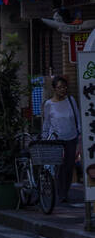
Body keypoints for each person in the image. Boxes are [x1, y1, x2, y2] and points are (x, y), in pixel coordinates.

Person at [41, 75, 80, 204]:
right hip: (56, 139)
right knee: (59, 166)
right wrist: (44, 137)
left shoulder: (71, 100)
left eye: (64, 87)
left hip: (71, 137)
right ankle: (60, 193)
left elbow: (77, 118)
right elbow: (46, 123)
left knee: (69, 166)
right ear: (54, 89)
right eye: (59, 87)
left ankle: (65, 191)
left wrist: (80, 135)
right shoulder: (49, 104)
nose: (63, 90)